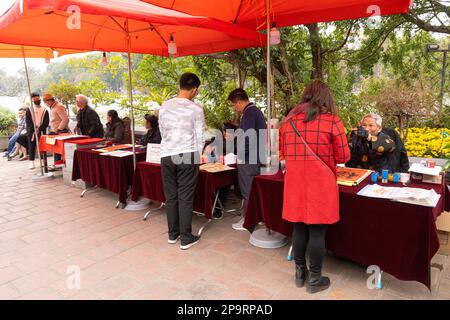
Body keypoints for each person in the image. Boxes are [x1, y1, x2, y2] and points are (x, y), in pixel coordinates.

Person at [279, 80, 350, 294]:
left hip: (295, 183)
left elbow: (282, 154)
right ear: (326, 97)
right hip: (321, 184)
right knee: (317, 232)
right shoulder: (332, 122)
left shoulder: (288, 123)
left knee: (299, 227)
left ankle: (300, 274)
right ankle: (315, 278)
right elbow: (344, 156)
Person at [159, 72, 205, 250]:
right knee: (185, 197)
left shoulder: (164, 106)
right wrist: (198, 154)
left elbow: (163, 131)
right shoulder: (196, 109)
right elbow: (200, 135)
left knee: (171, 196)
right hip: (187, 153)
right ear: (194, 90)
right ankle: (186, 237)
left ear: (180, 86)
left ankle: (173, 234)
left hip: (167, 154)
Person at [227, 88, 266, 231]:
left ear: (238, 102)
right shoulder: (255, 111)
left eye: (233, 104)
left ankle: (248, 221)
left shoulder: (249, 112)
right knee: (251, 189)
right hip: (255, 156)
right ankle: (254, 218)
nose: (234, 108)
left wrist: (241, 156)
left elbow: (248, 137)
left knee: (247, 190)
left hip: (249, 158)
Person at [43, 92, 69, 163]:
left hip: (62, 131)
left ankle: (60, 164)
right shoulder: (53, 107)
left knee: (61, 150)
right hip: (56, 132)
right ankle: (57, 163)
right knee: (57, 150)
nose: (46, 103)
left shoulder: (58, 107)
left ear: (50, 100)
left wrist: (59, 129)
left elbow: (65, 119)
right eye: (45, 102)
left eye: (46, 101)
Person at [26, 92, 49, 169]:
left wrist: (40, 129)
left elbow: (46, 122)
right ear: (32, 100)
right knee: (32, 145)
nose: (36, 100)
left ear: (39, 98)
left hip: (41, 130)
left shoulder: (45, 110)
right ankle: (31, 162)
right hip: (32, 130)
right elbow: (28, 121)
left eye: (37, 98)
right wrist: (34, 129)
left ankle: (43, 161)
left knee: (42, 146)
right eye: (34, 99)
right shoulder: (29, 109)